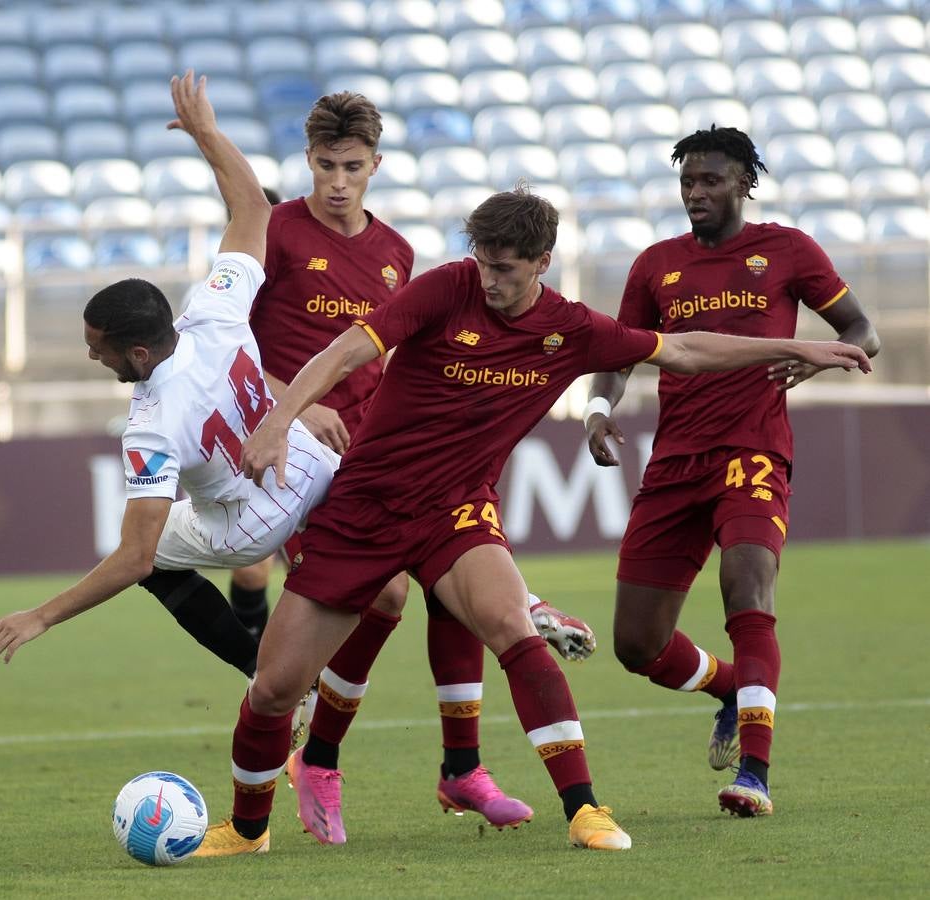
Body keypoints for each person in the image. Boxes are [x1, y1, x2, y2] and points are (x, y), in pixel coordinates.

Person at [193, 181, 871, 857]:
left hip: (455, 513)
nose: (488, 278)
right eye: (483, 261)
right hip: (364, 508)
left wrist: (798, 349)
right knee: (275, 688)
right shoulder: (445, 288)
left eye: (505, 268)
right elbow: (347, 351)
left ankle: (584, 810)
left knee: (514, 630)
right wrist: (278, 420)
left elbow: (684, 349)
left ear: (541, 261)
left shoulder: (569, 329)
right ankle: (247, 830)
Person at [205, 90, 594, 842]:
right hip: (292, 453)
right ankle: (318, 755)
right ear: (308, 163)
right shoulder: (274, 233)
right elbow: (228, 347)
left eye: (352, 167)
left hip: (376, 460)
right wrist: (290, 403)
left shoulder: (395, 255)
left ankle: (460, 766)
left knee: (447, 586)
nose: (338, 181)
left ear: (376, 166)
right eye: (325, 165)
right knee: (384, 596)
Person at [0, 71, 331, 678]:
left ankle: (258, 670)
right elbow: (254, 207)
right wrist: (207, 134)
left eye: (100, 348)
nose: (93, 357)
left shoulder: (150, 425)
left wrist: (40, 615)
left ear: (139, 353)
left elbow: (135, 559)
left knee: (155, 560)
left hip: (249, 522)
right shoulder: (215, 310)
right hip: (310, 467)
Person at [584, 126, 881, 818]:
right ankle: (724, 687)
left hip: (752, 450)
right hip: (674, 462)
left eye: (710, 181)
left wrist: (813, 356)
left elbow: (860, 330)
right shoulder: (655, 264)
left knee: (745, 583)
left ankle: (754, 771)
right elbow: (619, 354)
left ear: (744, 182)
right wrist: (599, 410)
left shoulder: (787, 251)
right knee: (635, 645)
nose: (695, 193)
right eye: (687, 182)